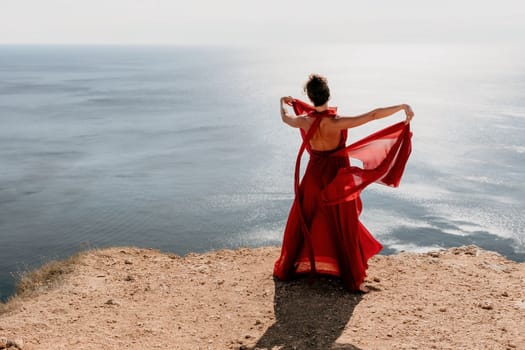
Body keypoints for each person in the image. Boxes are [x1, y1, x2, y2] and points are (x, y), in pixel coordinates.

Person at [273, 74, 414, 293]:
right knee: (342, 222)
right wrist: (402, 107)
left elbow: (285, 118)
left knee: (307, 219)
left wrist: (282, 103)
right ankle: (348, 275)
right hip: (337, 177)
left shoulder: (303, 121)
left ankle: (293, 266)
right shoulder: (337, 123)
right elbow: (374, 115)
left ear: (310, 97)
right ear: (328, 95)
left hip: (313, 176)